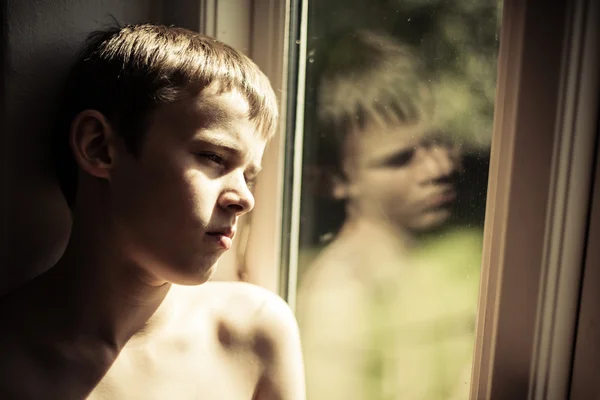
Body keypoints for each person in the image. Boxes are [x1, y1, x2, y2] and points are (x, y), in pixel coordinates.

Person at [0, 23, 305, 400]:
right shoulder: (11, 364)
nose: (244, 199)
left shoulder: (253, 333)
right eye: (213, 157)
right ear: (99, 147)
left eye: (249, 176)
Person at [295, 30, 482, 400]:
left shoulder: (423, 266)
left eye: (439, 141)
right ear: (335, 181)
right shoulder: (339, 296)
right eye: (400, 158)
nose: (439, 167)